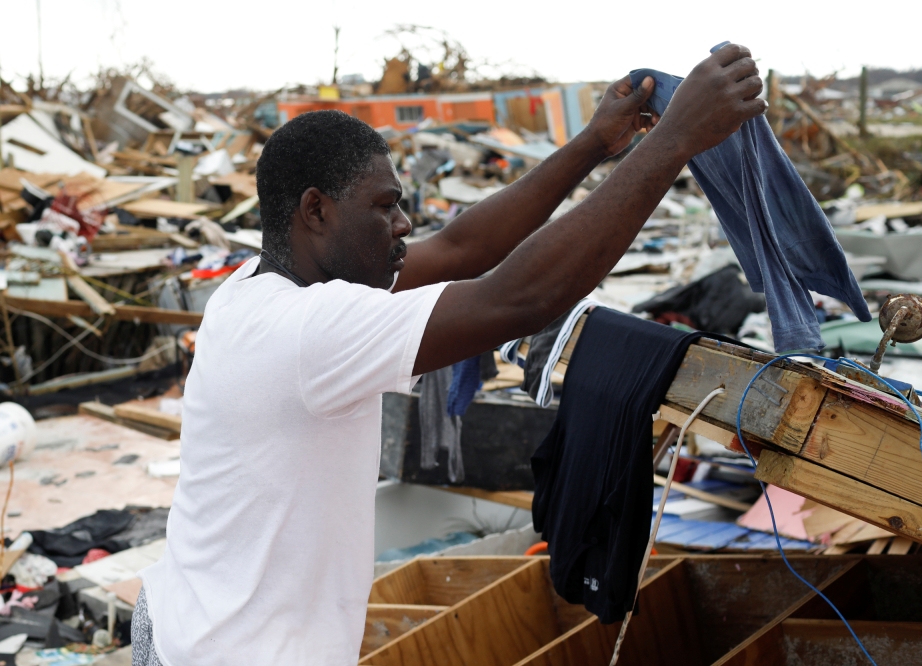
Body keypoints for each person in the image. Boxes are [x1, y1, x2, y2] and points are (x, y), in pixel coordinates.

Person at [132, 44, 765, 665]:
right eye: (385, 207)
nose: (404, 224)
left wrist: (596, 144)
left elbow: (463, 247)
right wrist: (673, 142)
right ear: (316, 211)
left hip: (179, 622)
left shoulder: (256, 285)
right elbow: (520, 299)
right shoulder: (310, 329)